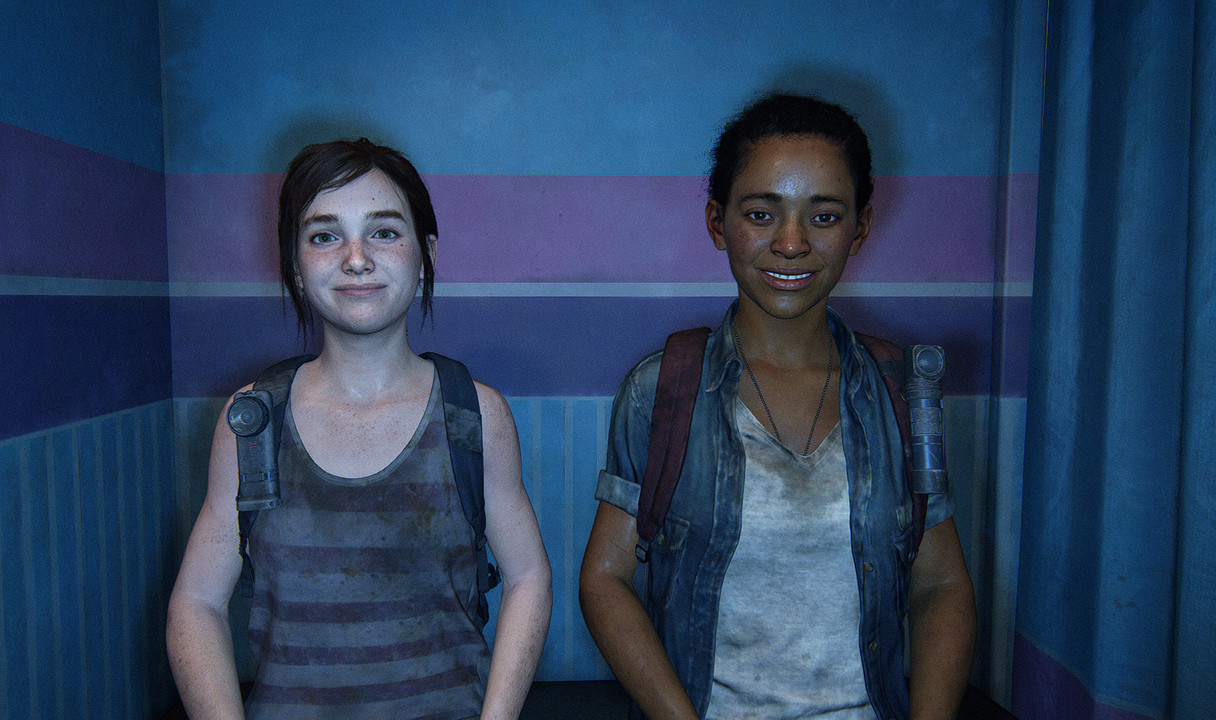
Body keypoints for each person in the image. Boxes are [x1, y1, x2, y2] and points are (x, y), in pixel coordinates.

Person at [579, 94, 976, 720]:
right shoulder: (662, 391)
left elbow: (942, 584)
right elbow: (606, 579)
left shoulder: (902, 392)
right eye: (762, 214)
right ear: (717, 222)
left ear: (860, 228)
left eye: (825, 217)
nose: (791, 243)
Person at [167, 138, 552, 720]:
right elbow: (197, 602)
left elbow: (528, 576)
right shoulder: (252, 421)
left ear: (427, 254)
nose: (356, 258)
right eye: (324, 236)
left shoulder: (473, 414)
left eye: (384, 232)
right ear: (295, 266)